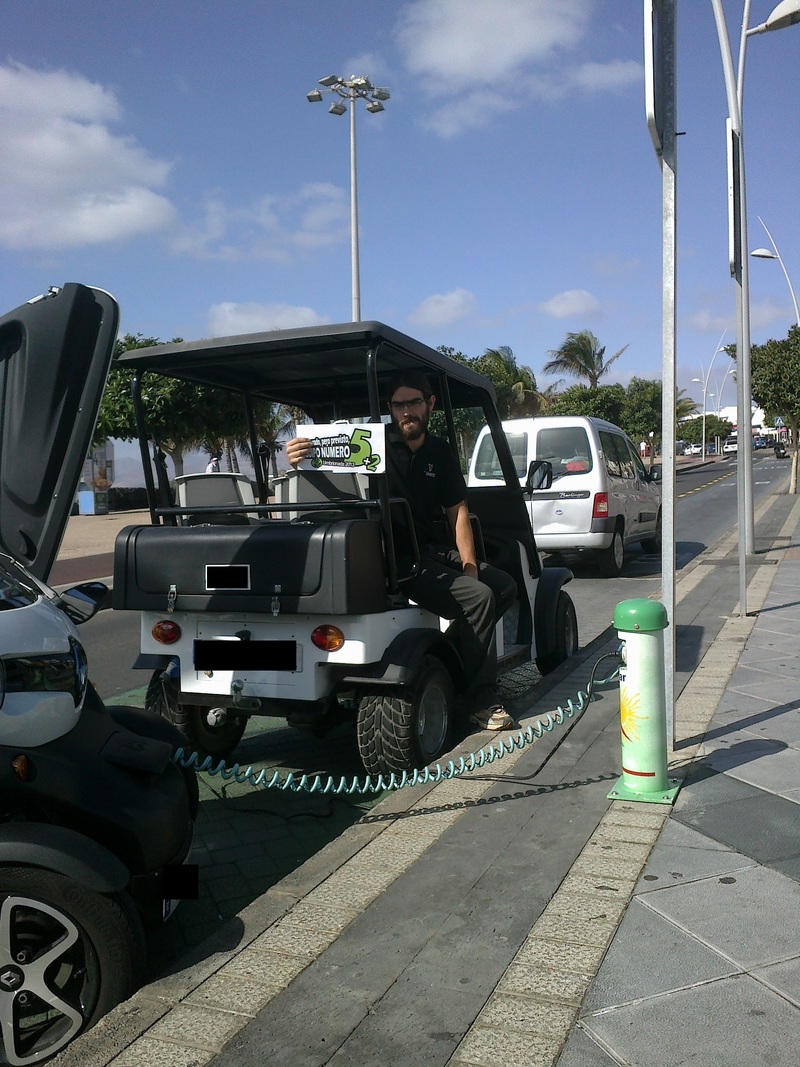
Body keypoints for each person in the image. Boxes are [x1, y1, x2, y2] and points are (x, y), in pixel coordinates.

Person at [286, 370, 518, 732]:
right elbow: (325, 454)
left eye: (413, 403)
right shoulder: (371, 444)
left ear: (430, 404)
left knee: (502, 585)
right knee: (480, 598)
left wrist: (470, 565)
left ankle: (454, 658)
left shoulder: (440, 452)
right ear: (390, 409)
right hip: (396, 562)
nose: (406, 411)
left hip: (433, 553)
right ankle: (481, 700)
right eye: (398, 405)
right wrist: (297, 453)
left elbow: (458, 514)